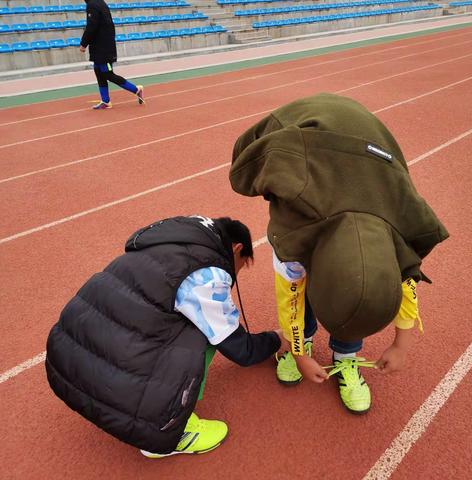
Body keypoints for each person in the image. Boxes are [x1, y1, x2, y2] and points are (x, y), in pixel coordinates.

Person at [229, 93, 449, 414]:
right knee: (300, 298)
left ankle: (346, 356)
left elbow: (406, 288)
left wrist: (402, 344)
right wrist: (301, 354)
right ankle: (299, 342)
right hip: (298, 140)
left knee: (358, 295)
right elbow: (289, 297)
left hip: (373, 154)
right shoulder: (293, 238)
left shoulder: (403, 233)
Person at [45, 215, 289, 457]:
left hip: (67, 362)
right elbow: (239, 349)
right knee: (204, 331)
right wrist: (277, 339)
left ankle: (134, 401)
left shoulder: (173, 239)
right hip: (111, 379)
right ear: (237, 249)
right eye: (243, 264)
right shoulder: (206, 275)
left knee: (178, 317)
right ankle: (168, 427)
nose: (238, 273)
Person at [80, 0, 145, 110]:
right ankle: (105, 101)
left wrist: (83, 43)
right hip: (100, 46)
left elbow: (92, 26)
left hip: (103, 47)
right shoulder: (100, 3)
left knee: (107, 74)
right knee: (98, 71)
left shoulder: (93, 5)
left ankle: (136, 89)